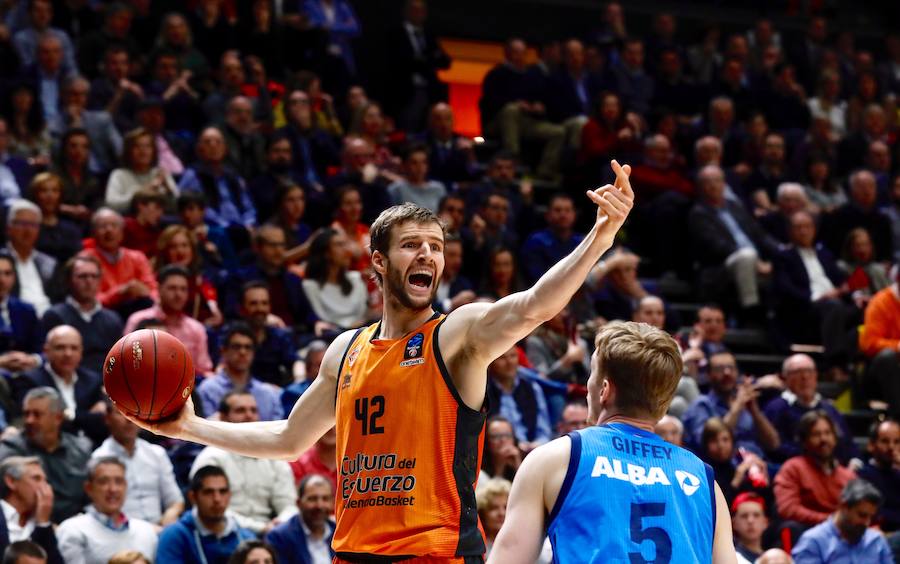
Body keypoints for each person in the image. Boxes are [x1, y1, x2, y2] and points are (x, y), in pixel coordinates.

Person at [123, 160, 635, 561]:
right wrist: (188, 428)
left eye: (435, 247)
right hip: (353, 553)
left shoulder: (455, 334)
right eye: (412, 245)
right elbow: (288, 439)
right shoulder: (346, 350)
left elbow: (534, 306)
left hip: (435, 554)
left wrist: (599, 238)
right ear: (379, 262)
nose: (429, 256)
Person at [486, 321, 737, 563]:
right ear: (663, 403)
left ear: (604, 390)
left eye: (592, 374)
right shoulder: (705, 482)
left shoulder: (555, 459)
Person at [190, 392, 296, 535]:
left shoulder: (274, 457)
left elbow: (289, 505)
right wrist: (261, 528)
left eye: (253, 410)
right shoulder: (211, 458)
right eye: (240, 410)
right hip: (225, 532)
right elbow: (205, 508)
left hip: (274, 534)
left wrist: (281, 523)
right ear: (222, 417)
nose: (249, 415)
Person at [0, 388, 90, 523]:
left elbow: (92, 495)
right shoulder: (11, 449)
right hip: (27, 524)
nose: (29, 420)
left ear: (58, 418)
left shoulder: (81, 450)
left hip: (75, 525)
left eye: (37, 415)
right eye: (26, 414)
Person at [91, 403, 183, 526]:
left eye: (135, 413)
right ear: (107, 418)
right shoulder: (100, 460)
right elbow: (103, 510)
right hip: (123, 531)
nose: (129, 420)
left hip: (161, 528)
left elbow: (175, 502)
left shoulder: (157, 453)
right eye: (121, 413)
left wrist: (166, 522)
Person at [56, 457, 158, 564]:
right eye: (103, 482)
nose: (113, 489)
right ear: (89, 488)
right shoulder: (73, 530)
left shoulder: (146, 531)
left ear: (126, 486)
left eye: (119, 481)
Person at [16, 325, 106, 443]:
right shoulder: (30, 381)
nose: (68, 354)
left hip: (92, 446)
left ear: (81, 352)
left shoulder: (92, 380)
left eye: (74, 348)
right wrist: (85, 417)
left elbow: (102, 421)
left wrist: (66, 416)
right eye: (60, 348)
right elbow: (40, 423)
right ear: (46, 351)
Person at [763, 354, 858, 463]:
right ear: (785, 378)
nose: (805, 377)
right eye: (798, 372)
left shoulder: (829, 408)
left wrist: (855, 461)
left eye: (809, 371)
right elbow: (775, 447)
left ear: (816, 375)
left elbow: (847, 441)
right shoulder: (775, 408)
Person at [682, 351, 780, 455]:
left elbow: (773, 444)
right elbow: (710, 444)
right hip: (723, 467)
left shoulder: (746, 404)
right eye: (720, 369)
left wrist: (755, 412)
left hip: (759, 464)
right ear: (708, 375)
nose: (727, 373)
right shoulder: (701, 405)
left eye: (731, 368)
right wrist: (737, 407)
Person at [123, 265, 214, 375]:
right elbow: (125, 362)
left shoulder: (196, 328)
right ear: (159, 289)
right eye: (172, 288)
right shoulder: (138, 320)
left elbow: (204, 369)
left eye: (183, 289)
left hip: (186, 388)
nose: (178, 294)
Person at [156, 465, 256, 564]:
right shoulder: (174, 536)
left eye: (223, 491)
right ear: (193, 497)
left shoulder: (246, 537)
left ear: (230, 495)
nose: (217, 499)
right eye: (208, 492)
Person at [39, 256, 123, 373]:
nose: (89, 281)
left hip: (105, 383)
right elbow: (46, 355)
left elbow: (117, 360)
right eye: (82, 276)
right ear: (68, 281)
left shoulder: (113, 319)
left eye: (94, 276)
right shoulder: (54, 315)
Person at [774, 410, 856, 527]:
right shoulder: (793, 468)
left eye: (828, 433)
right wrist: (830, 520)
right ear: (804, 441)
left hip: (843, 534)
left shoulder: (847, 476)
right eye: (816, 434)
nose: (823, 439)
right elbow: (788, 509)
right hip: (807, 531)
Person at [79, 208, 157, 317]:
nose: (109, 230)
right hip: (99, 315)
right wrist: (120, 293)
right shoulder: (85, 259)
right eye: (103, 226)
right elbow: (87, 298)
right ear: (93, 233)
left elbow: (154, 292)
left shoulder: (137, 257)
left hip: (137, 313)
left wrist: (144, 292)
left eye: (114, 226)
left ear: (122, 232)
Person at [792, 479, 893, 563]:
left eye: (871, 517)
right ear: (843, 506)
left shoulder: (876, 541)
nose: (867, 523)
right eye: (862, 515)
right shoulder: (814, 542)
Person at [196, 326, 284, 422]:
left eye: (248, 347)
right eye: (236, 347)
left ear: (254, 353)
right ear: (223, 351)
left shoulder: (268, 393)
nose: (243, 352)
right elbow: (205, 430)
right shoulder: (207, 390)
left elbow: (278, 431)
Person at [0, 458, 62, 563]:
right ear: (11, 481)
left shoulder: (45, 526)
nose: (45, 487)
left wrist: (43, 524)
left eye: (45, 481)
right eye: (36, 479)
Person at [265, 474, 336, 564]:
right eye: (312, 499)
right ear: (298, 503)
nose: (319, 505)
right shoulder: (279, 537)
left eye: (325, 499)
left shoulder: (340, 534)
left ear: (333, 503)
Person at [104, 128, 178, 213]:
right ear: (128, 151)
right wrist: (142, 193)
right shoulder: (119, 175)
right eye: (137, 146)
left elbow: (178, 207)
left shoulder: (160, 174)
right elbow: (111, 205)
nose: (143, 151)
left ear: (153, 151)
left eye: (147, 146)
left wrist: (168, 190)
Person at [856, 418, 900, 533]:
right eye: (885, 441)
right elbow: (873, 514)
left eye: (897, 442)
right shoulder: (863, 476)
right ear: (871, 445)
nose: (891, 447)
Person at [387, 143, 446, 213]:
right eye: (414, 163)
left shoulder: (438, 189)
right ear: (405, 165)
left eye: (424, 162)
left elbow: (444, 215)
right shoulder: (396, 189)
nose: (419, 167)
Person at [476, 477, 510, 557]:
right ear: (482, 513)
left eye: (506, 507)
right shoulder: (475, 548)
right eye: (494, 508)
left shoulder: (522, 544)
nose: (501, 513)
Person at [731, 492, 769, 562]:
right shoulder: (730, 559)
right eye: (744, 516)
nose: (750, 521)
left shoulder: (774, 559)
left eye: (756, 515)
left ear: (765, 522)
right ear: (734, 523)